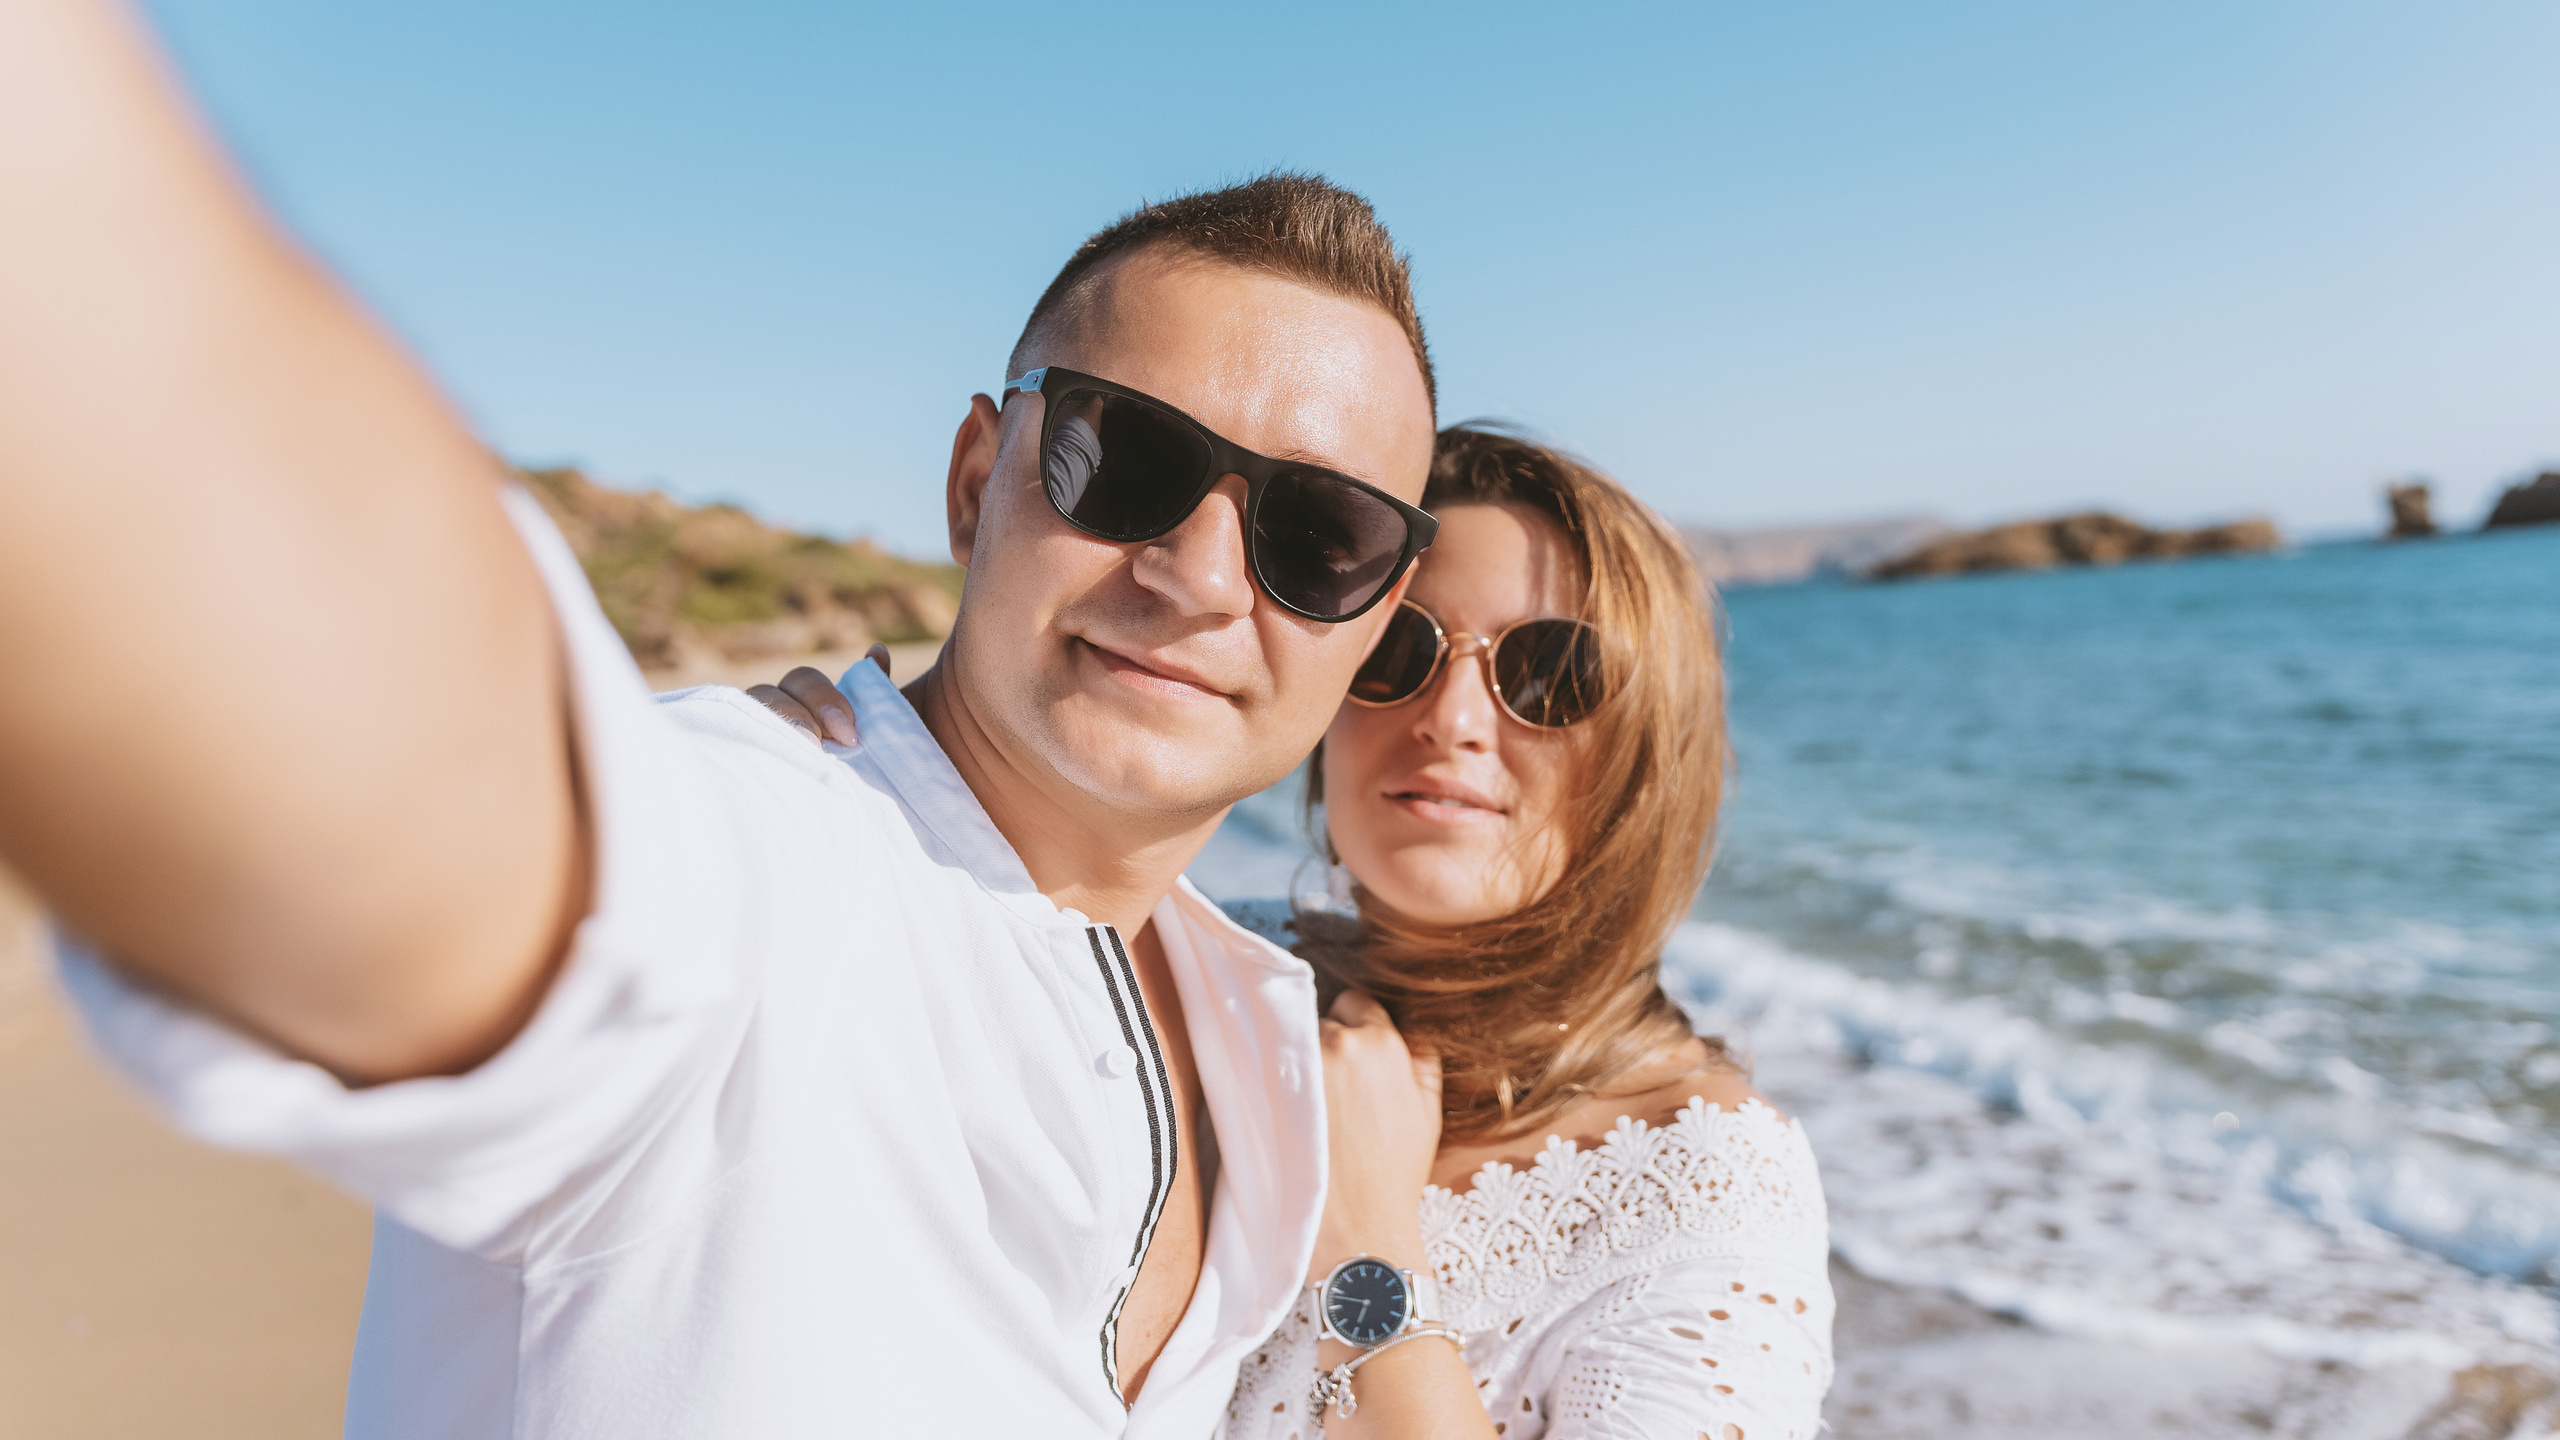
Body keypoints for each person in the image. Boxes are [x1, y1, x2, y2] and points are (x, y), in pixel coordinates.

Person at [0, 3, 1440, 1434]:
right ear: (971, 481)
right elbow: (392, 772)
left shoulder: (1269, 1043)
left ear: (1375, 616)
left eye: (1318, 535)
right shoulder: (754, 862)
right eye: (1124, 460)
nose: (1195, 576)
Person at [754, 426, 1837, 1438]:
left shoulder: (1709, 1191)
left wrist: (1368, 1261)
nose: (1452, 719)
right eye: (1398, 652)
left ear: (1654, 745)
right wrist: (830, 793)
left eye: (1548, 673)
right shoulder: (1193, 966)